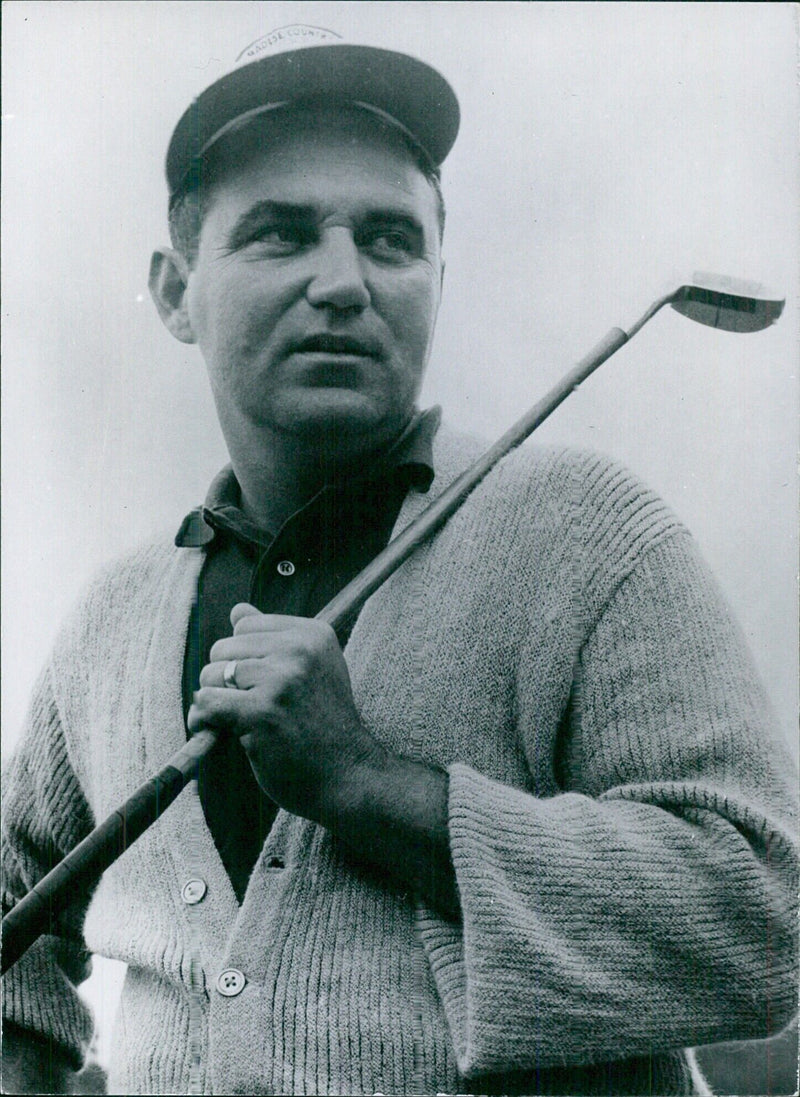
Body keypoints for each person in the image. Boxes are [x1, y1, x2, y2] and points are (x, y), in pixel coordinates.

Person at [2, 28, 797, 1097]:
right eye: (279, 235)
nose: (343, 281)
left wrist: (367, 783)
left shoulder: (588, 531)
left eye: (387, 239)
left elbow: (759, 920)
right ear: (173, 291)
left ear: (435, 273)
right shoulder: (113, 612)